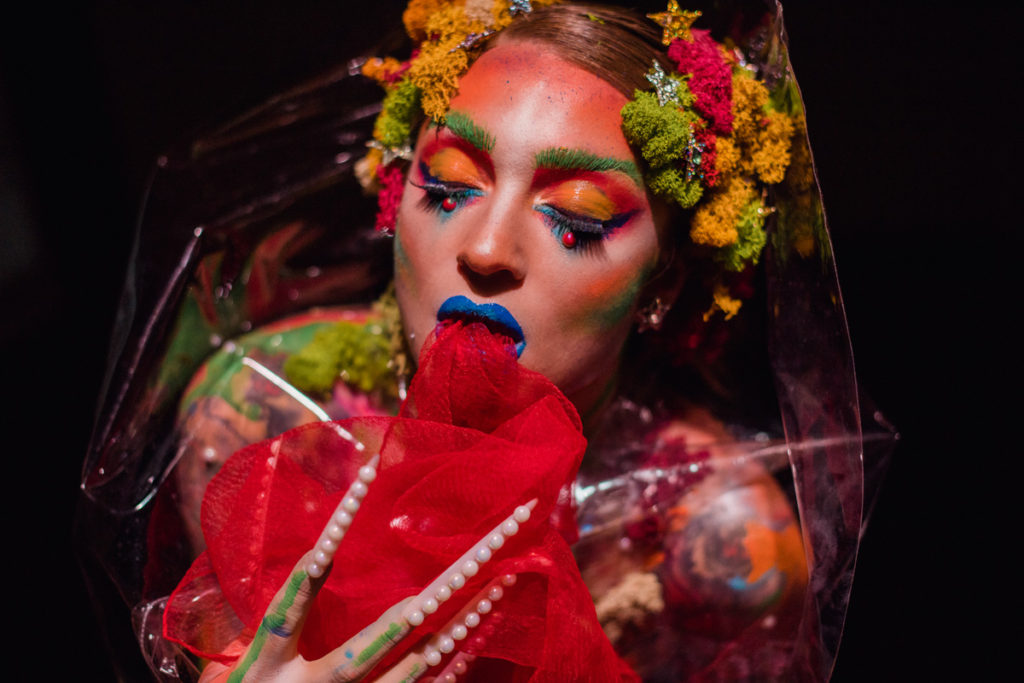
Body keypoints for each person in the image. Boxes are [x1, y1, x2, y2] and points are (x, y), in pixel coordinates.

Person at [78, 2, 875, 681]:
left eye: (578, 220)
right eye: (450, 186)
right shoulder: (262, 418)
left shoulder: (722, 546)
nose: (488, 249)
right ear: (395, 196)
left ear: (665, 282)